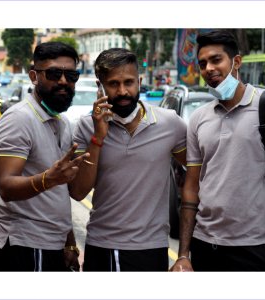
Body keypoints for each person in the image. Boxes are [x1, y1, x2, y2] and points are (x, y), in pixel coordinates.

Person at [171, 30, 265, 272]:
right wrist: (184, 254)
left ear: (236, 62)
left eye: (216, 59)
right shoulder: (198, 118)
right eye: (202, 63)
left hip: (254, 247)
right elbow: (191, 187)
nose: (208, 68)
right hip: (204, 244)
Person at [70, 48, 187, 271]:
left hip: (153, 248)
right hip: (102, 245)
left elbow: (195, 171)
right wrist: (98, 137)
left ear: (140, 81)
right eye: (113, 84)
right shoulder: (86, 127)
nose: (123, 91)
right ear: (100, 87)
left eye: (129, 82)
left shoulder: (171, 124)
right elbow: (77, 191)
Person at [0, 41, 89, 271]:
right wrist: (49, 178)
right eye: (54, 73)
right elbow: (7, 186)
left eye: (71, 75)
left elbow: (60, 194)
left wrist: (70, 242)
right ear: (34, 76)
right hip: (24, 245)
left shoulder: (62, 122)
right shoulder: (19, 119)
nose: (63, 81)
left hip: (51, 244)